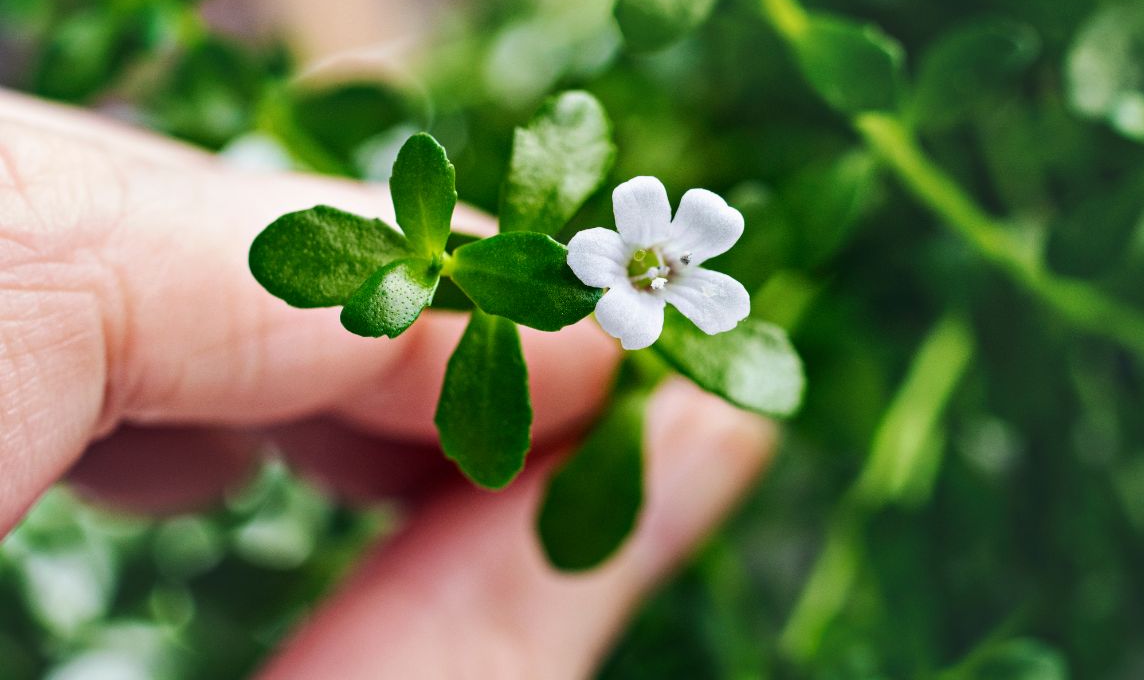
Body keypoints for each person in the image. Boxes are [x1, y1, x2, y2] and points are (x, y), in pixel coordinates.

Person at [0, 88, 776, 677]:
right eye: (647, 261)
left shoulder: (653, 275)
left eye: (658, 265)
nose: (653, 266)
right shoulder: (611, 262)